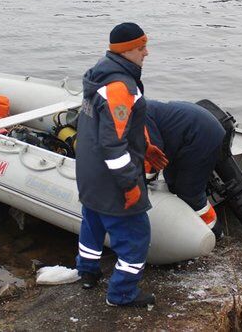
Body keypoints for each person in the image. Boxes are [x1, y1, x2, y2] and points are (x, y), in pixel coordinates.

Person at [75, 22, 168, 308]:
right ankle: (122, 293)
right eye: (142, 48)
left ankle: (88, 272)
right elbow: (113, 145)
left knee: (92, 223)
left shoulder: (100, 75)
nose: (147, 53)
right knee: (136, 235)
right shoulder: (120, 87)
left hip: (89, 173)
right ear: (127, 50)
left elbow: (116, 126)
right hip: (111, 178)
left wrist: (146, 146)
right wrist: (130, 184)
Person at [144, 100, 226, 237]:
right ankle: (188, 228)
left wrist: (142, 182)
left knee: (189, 193)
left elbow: (154, 151)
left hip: (200, 135)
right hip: (183, 138)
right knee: (172, 184)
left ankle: (216, 233)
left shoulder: (138, 115)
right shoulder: (137, 108)